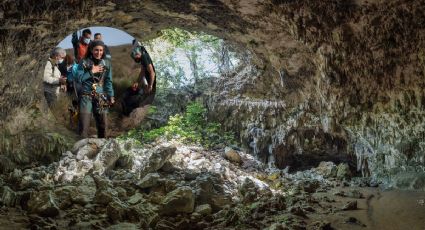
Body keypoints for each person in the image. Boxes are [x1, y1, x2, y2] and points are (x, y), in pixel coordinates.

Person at [75, 40, 114, 138]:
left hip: (101, 98)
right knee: (84, 126)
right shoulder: (83, 62)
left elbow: (108, 81)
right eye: (96, 50)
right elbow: (79, 79)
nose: (99, 53)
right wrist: (92, 71)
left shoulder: (107, 63)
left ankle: (102, 148)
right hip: (86, 97)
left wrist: (111, 95)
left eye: (101, 50)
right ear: (91, 50)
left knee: (103, 125)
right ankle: (80, 150)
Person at [121, 40, 156, 116]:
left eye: (136, 58)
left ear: (137, 53)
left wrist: (150, 85)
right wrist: (137, 82)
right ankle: (127, 111)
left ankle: (131, 111)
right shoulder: (143, 57)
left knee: (140, 96)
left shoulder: (144, 56)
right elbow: (142, 72)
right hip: (147, 81)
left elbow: (152, 72)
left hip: (151, 82)